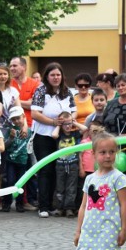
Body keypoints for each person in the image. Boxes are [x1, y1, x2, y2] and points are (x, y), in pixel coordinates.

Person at [31, 62, 77, 217]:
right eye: (52, 75)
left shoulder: (67, 91)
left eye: (58, 75)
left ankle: (54, 204)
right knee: (45, 170)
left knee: (59, 170)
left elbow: (74, 111)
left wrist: (68, 120)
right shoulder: (41, 90)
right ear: (47, 76)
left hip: (62, 137)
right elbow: (35, 114)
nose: (56, 78)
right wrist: (53, 122)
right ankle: (43, 206)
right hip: (43, 135)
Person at [101, 74, 126, 203]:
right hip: (110, 142)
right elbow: (103, 121)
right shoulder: (111, 104)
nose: (121, 88)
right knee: (109, 171)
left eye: (123, 85)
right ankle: (111, 199)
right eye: (118, 86)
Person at [51, 111, 86, 217]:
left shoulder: (75, 134)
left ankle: (69, 208)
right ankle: (59, 207)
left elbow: (85, 129)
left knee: (71, 187)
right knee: (60, 187)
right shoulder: (60, 135)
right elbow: (54, 135)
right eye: (65, 124)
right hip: (61, 165)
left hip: (73, 164)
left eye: (69, 123)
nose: (68, 126)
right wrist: (58, 125)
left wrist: (74, 122)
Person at [2, 106, 32, 212]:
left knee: (21, 183)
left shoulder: (29, 131)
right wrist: (10, 138)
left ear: (23, 116)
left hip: (23, 161)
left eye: (18, 118)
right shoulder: (10, 130)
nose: (16, 121)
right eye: (13, 119)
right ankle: (7, 203)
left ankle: (20, 204)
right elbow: (4, 146)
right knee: (9, 181)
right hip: (10, 160)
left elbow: (31, 147)